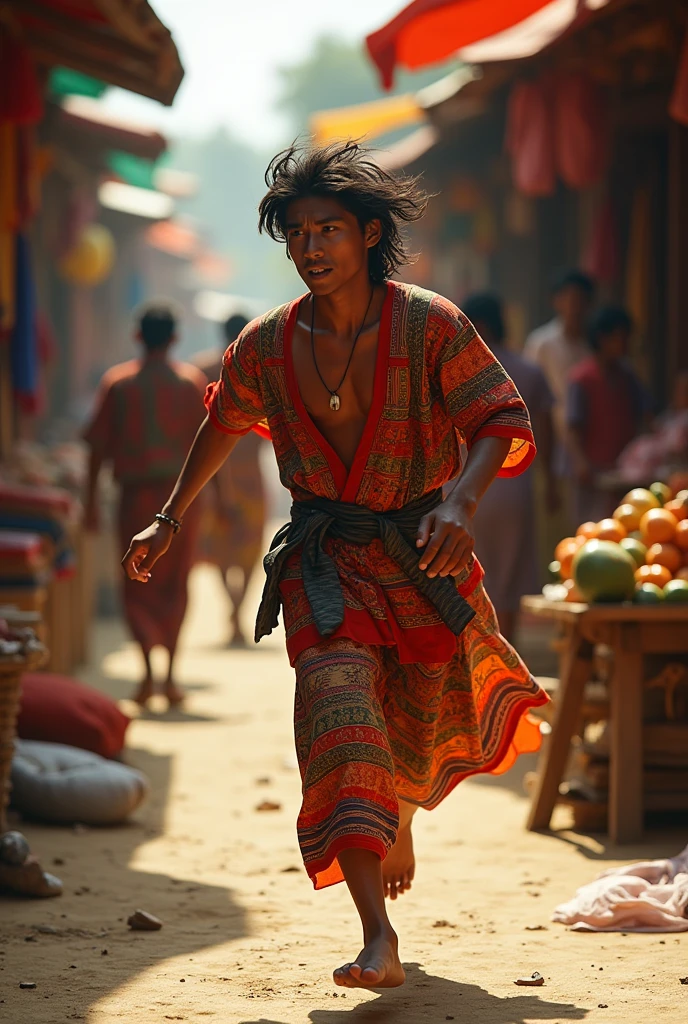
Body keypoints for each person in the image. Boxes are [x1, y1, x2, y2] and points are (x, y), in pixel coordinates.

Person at [121, 142, 547, 990]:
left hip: (420, 554)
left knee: (412, 726)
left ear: (370, 233)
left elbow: (500, 416)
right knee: (337, 712)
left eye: (330, 230)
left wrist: (460, 503)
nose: (312, 247)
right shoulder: (267, 342)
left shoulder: (431, 322)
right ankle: (376, 935)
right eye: (298, 233)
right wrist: (169, 515)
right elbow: (224, 421)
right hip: (325, 564)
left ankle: (399, 808)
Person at [84, 303, 207, 707]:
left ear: (138, 337)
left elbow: (97, 449)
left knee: (135, 579)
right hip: (182, 502)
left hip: (136, 501)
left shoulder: (119, 384)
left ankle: (149, 675)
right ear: (174, 338)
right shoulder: (190, 383)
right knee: (176, 584)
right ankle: (169, 677)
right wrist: (219, 499)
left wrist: (89, 503)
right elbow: (208, 448)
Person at [462, 293, 557, 642]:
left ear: (478, 326)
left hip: (461, 489)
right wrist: (551, 486)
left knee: (467, 573)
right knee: (511, 575)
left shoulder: (457, 369)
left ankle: (473, 656)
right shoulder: (528, 370)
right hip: (515, 488)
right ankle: (506, 652)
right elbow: (545, 433)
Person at [194, 315, 267, 646]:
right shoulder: (261, 370)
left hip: (215, 472)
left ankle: (234, 611)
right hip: (249, 473)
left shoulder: (203, 370)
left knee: (223, 548)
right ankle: (237, 612)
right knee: (249, 547)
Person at [566, 305, 648, 524]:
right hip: (593, 477)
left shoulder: (628, 376)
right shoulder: (582, 379)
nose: (626, 344)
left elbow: (645, 414)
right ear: (603, 339)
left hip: (625, 474)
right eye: (621, 337)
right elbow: (573, 427)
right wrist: (581, 463)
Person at [524, 269, 595, 475]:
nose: (574, 306)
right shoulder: (542, 343)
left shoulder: (593, 345)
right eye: (569, 299)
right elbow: (529, 396)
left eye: (580, 300)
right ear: (557, 301)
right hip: (549, 440)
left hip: (587, 440)